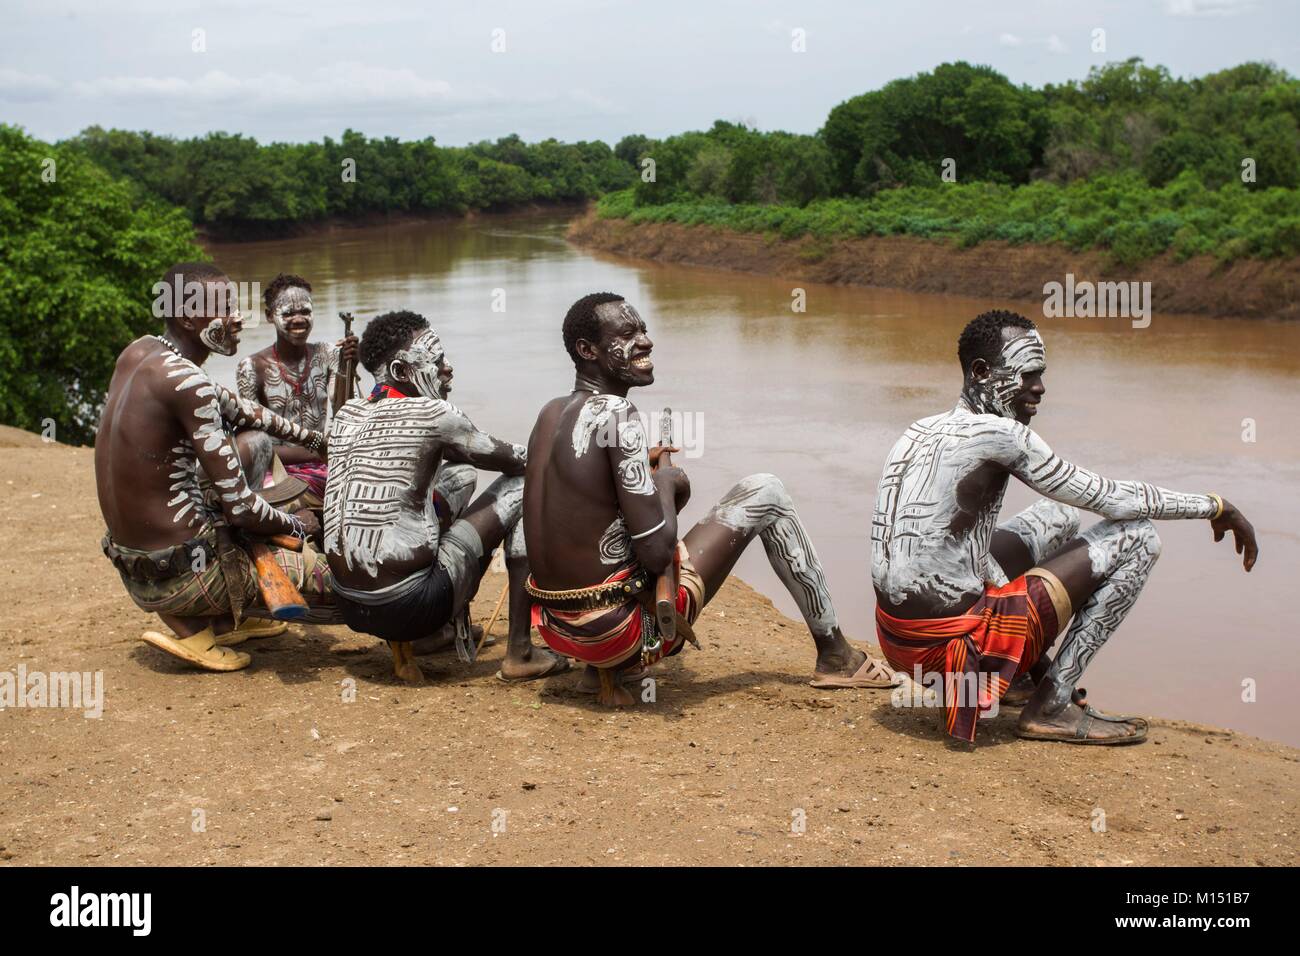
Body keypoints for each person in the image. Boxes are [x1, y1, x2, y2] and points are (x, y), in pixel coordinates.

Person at [871, 309, 1258, 744]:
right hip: (948, 654)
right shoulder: (1002, 435)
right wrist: (1214, 506)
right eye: (1028, 375)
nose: (1039, 388)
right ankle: (1050, 706)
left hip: (897, 644)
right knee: (1139, 537)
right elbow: (1115, 498)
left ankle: (1019, 679)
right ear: (981, 372)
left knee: (1059, 517)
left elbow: (952, 554)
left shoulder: (919, 429)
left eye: (1042, 374)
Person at [522, 292, 894, 707]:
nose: (645, 341)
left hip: (558, 629)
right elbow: (656, 549)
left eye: (643, 329)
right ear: (587, 350)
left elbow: (579, 499)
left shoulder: (550, 412)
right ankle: (837, 656)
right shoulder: (617, 414)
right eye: (627, 333)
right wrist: (667, 483)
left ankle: (599, 672)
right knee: (766, 491)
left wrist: (645, 474)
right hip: (618, 633)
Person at [96, 262, 336, 672]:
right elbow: (241, 508)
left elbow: (239, 407)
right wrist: (298, 525)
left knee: (255, 445)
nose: (237, 318)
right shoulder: (189, 384)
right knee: (328, 578)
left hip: (136, 570)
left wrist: (317, 442)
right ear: (190, 317)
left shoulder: (140, 352)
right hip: (184, 577)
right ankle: (210, 617)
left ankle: (223, 622)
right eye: (224, 308)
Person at [322, 310, 568, 684]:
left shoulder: (347, 414)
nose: (448, 368)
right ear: (403, 372)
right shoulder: (434, 413)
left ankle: (424, 638)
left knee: (460, 476)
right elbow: (520, 461)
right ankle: (520, 651)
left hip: (351, 606)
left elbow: (454, 458)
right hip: (409, 604)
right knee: (524, 484)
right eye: (437, 361)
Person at [235, 273, 358, 507]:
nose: (299, 319)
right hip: (277, 471)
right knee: (280, 502)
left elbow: (347, 415)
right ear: (270, 316)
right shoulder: (251, 368)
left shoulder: (328, 354)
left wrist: (349, 368)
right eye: (289, 313)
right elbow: (253, 446)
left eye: (305, 311)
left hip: (326, 466)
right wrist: (319, 450)